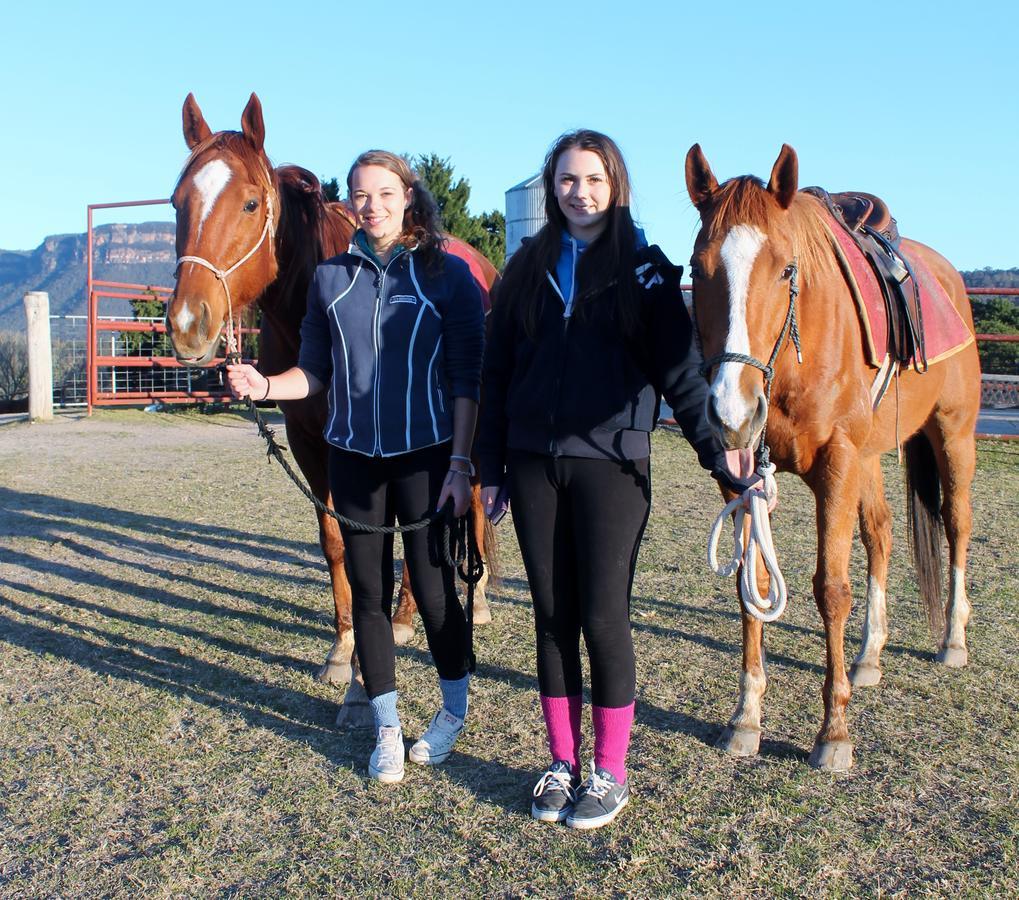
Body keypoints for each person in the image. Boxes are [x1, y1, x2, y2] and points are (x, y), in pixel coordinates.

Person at [477, 130, 745, 829]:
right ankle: (562, 764)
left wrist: (718, 455)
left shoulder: (646, 270)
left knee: (601, 617)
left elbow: (681, 375)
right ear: (551, 187)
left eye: (593, 180)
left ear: (614, 185)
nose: (579, 192)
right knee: (550, 618)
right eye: (567, 180)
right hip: (534, 464)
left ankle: (609, 772)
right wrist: (488, 467)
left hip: (613, 468)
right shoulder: (525, 268)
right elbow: (496, 374)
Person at [227, 150, 485, 784]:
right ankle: (388, 727)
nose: (373, 205)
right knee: (368, 596)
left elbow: (466, 382)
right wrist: (261, 387)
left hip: (425, 459)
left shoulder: (444, 276)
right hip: (352, 460)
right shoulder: (329, 279)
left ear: (407, 198)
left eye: (385, 193)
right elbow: (312, 374)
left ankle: (453, 710)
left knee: (431, 591)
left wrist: (459, 463)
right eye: (361, 194)